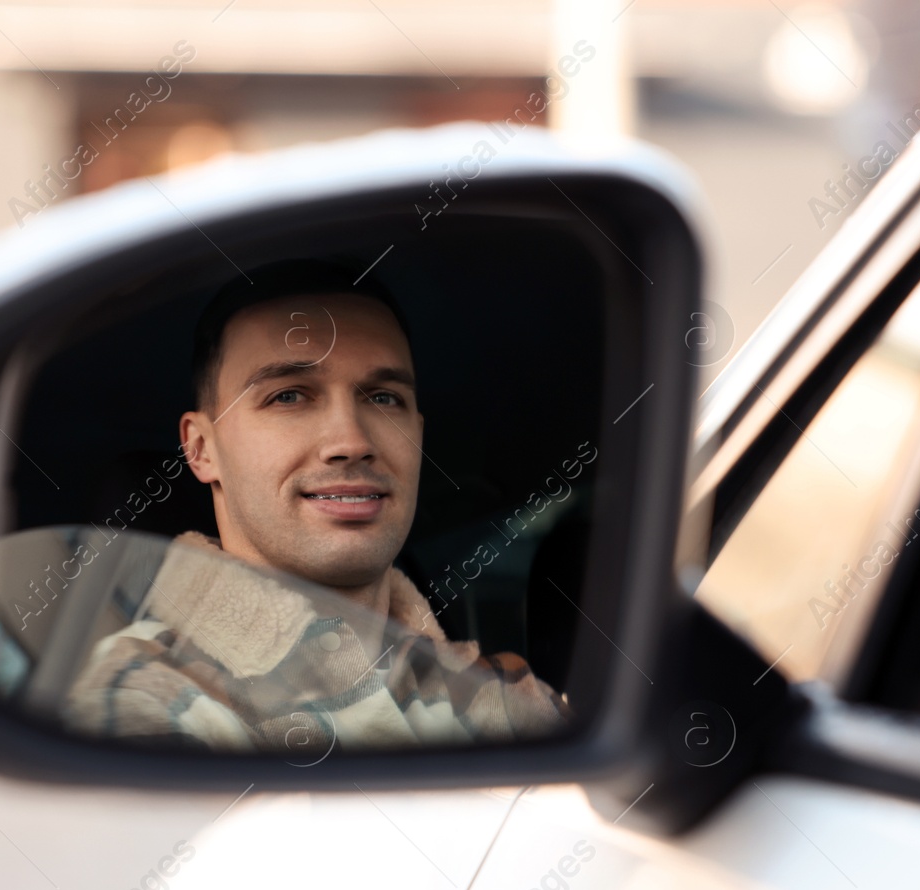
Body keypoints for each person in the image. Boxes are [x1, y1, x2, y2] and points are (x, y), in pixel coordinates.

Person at [63, 260, 569, 753]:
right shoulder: (140, 695)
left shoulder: (505, 691)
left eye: (384, 398)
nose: (350, 441)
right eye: (289, 396)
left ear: (417, 433)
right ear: (200, 449)